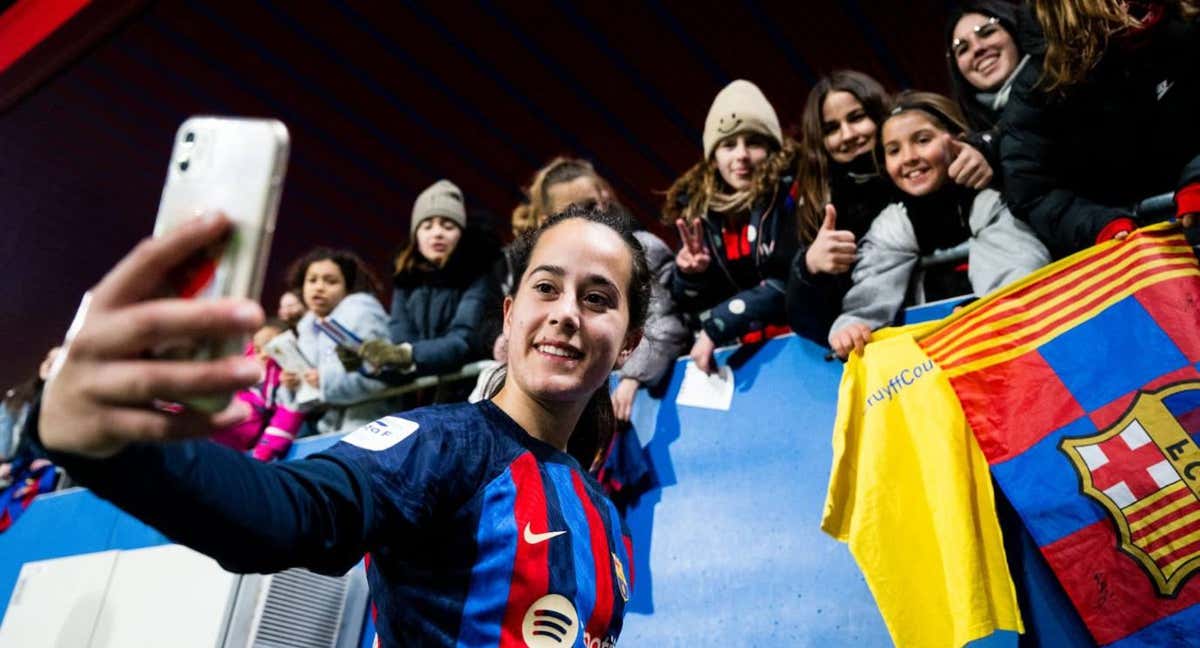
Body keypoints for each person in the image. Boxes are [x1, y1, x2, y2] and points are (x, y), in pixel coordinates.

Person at [35, 206, 645, 646]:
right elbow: (292, 512)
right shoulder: (442, 445)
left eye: (597, 299)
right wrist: (109, 446)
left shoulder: (608, 524)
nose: (566, 313)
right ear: (509, 319)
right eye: (547, 288)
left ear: (628, 345)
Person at [828, 92, 1050, 358]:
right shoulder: (892, 225)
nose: (908, 157)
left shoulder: (994, 197)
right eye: (894, 150)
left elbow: (1021, 273)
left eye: (923, 140)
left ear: (957, 140)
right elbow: (868, 295)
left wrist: (985, 312)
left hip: (1019, 346)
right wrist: (852, 327)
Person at [786, 71, 996, 345]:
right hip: (906, 355)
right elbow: (818, 323)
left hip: (984, 332)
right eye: (831, 129)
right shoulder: (818, 207)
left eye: (856, 117)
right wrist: (809, 268)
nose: (847, 135)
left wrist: (985, 151)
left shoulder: (958, 175)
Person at [1000, 0, 1200, 257]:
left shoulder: (1187, 35)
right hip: (1120, 257)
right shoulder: (1041, 83)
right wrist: (1100, 225)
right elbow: (1032, 188)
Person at [513, 157, 687, 423]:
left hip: (625, 415)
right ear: (548, 219)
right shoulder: (538, 265)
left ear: (605, 200)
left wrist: (631, 378)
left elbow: (665, 325)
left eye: (594, 205)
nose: (592, 217)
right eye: (575, 210)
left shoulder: (640, 252)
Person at [664, 79, 802, 373]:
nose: (741, 155)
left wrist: (717, 325)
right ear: (713, 158)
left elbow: (790, 282)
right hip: (737, 367)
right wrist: (690, 276)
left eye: (753, 142)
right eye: (728, 145)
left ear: (772, 148)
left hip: (802, 352)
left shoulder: (793, 196)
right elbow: (689, 307)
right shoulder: (700, 215)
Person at [354, 179, 500, 384]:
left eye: (448, 225)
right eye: (427, 226)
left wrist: (406, 355)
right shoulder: (405, 281)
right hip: (419, 400)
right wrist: (365, 365)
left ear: (461, 234)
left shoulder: (479, 276)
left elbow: (464, 341)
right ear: (416, 236)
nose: (437, 233)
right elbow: (401, 347)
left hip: (465, 393)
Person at [279, 247, 394, 434]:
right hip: (322, 431)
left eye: (330, 281)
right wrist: (291, 385)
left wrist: (324, 380)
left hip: (365, 427)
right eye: (312, 280)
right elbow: (306, 396)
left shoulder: (362, 313)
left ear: (348, 288)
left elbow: (381, 375)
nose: (319, 287)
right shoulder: (308, 327)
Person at [210, 320, 304, 461]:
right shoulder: (236, 360)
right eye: (258, 345)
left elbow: (288, 414)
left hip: (233, 445)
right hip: (201, 428)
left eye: (271, 342)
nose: (262, 348)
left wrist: (264, 451)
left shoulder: (286, 375)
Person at [945, 1, 1029, 134]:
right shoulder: (966, 138)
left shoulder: (1064, 86)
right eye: (963, 48)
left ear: (1014, 32)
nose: (977, 48)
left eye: (987, 33)